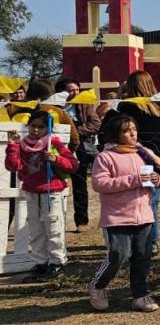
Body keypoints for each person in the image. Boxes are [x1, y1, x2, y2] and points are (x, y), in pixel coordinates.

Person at [89, 115, 160, 312]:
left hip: (144, 214)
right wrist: (134, 179)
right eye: (125, 130)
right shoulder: (105, 157)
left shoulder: (143, 153)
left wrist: (156, 179)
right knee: (118, 255)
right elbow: (100, 184)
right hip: (117, 216)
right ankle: (98, 285)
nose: (132, 133)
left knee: (142, 256)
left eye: (134, 129)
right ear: (115, 134)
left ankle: (140, 294)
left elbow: (159, 174)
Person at [5, 110, 79, 282]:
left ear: (48, 128)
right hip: (31, 191)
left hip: (51, 191)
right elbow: (12, 166)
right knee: (36, 229)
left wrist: (55, 159)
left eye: (41, 127)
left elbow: (73, 165)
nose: (36, 130)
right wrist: (13, 146)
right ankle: (41, 262)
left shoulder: (54, 143)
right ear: (28, 126)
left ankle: (57, 262)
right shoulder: (23, 145)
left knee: (53, 228)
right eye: (33, 126)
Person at [116, 71, 160, 255]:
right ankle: (151, 239)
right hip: (155, 160)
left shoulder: (127, 107)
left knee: (137, 203)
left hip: (136, 159)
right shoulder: (156, 107)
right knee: (151, 202)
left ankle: (146, 240)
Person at [56, 77, 102, 233]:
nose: (75, 92)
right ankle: (53, 220)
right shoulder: (56, 107)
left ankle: (81, 220)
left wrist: (75, 132)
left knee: (79, 183)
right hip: (58, 146)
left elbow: (95, 124)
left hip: (80, 145)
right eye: (70, 90)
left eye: (76, 89)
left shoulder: (86, 104)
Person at [11, 80, 80, 151]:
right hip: (52, 157)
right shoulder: (60, 113)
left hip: (22, 157)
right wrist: (64, 155)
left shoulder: (15, 111)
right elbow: (75, 140)